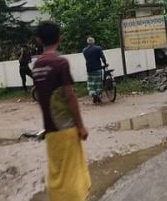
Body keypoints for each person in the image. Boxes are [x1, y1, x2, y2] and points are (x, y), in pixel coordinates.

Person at [32, 21, 91, 201]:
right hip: (66, 128)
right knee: (72, 174)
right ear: (59, 37)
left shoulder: (36, 66)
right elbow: (70, 97)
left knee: (57, 174)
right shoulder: (60, 63)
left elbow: (38, 94)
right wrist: (81, 126)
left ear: (39, 40)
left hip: (50, 130)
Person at [83, 37, 108, 104]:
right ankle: (98, 95)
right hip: (98, 68)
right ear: (93, 42)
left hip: (89, 69)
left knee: (91, 83)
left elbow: (87, 59)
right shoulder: (98, 48)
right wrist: (105, 63)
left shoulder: (84, 50)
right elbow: (102, 57)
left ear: (87, 42)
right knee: (98, 83)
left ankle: (93, 94)